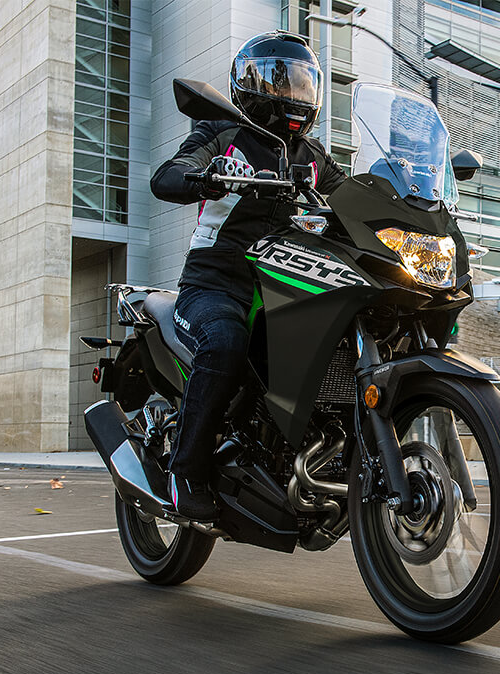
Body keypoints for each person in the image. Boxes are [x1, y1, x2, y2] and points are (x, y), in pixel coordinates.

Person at [151, 31, 348, 520]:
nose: (294, 94)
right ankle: (185, 471)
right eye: (282, 82)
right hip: (216, 283)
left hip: (283, 285)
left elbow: (355, 197)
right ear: (251, 85)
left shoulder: (312, 156)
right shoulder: (223, 131)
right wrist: (205, 176)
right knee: (225, 342)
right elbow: (169, 174)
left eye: (303, 83)